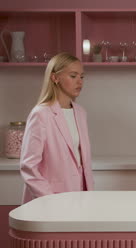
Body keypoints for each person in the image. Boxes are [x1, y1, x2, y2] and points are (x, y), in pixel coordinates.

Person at [20, 53, 94, 203]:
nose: (80, 82)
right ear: (55, 78)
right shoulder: (41, 114)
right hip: (50, 200)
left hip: (81, 197)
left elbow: (81, 161)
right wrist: (49, 200)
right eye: (73, 76)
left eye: (82, 76)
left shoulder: (80, 113)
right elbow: (29, 166)